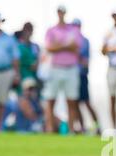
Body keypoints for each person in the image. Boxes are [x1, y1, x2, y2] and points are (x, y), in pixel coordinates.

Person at [43, 5, 82, 134]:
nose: (61, 14)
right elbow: (49, 48)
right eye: (59, 12)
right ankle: (49, 129)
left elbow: (76, 47)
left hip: (71, 69)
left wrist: (58, 45)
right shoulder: (51, 30)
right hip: (55, 68)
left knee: (71, 100)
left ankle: (71, 129)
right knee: (51, 100)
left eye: (63, 12)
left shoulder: (73, 30)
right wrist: (66, 45)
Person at [72, 18, 100, 135]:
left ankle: (97, 126)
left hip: (82, 75)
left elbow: (84, 61)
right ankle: (82, 127)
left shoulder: (84, 41)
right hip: (73, 75)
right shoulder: (71, 40)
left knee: (86, 102)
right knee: (76, 103)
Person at [16, 23, 39, 91]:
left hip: (33, 76)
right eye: (27, 30)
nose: (29, 32)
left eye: (30, 30)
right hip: (22, 76)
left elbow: (36, 62)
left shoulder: (34, 46)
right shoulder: (19, 46)